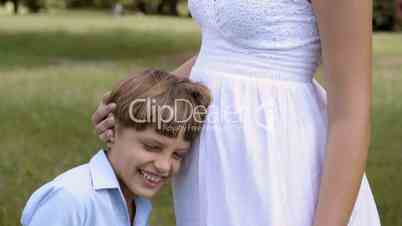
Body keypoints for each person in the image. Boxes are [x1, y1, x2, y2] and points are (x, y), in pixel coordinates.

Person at [93, 1, 381, 226]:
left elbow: (351, 116)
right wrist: (139, 104)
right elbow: (222, 50)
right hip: (210, 156)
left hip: (276, 159)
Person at [21, 69, 211, 226]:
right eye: (152, 147)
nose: (164, 165)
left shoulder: (137, 203)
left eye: (178, 154)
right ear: (111, 129)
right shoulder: (70, 199)